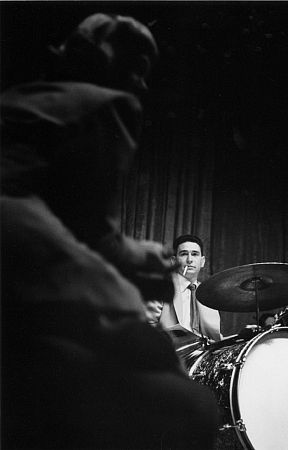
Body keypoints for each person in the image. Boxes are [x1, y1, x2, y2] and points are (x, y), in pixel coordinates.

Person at [1, 13, 219, 450]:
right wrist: (148, 262)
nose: (140, 83)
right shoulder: (109, 104)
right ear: (102, 56)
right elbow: (90, 232)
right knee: (187, 405)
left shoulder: (20, 98)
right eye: (136, 65)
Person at [147, 235, 221, 341]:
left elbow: (216, 339)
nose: (189, 260)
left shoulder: (208, 294)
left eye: (195, 254)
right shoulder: (161, 287)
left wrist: (240, 338)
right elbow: (147, 328)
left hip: (204, 354)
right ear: (173, 261)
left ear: (202, 261)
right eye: (184, 254)